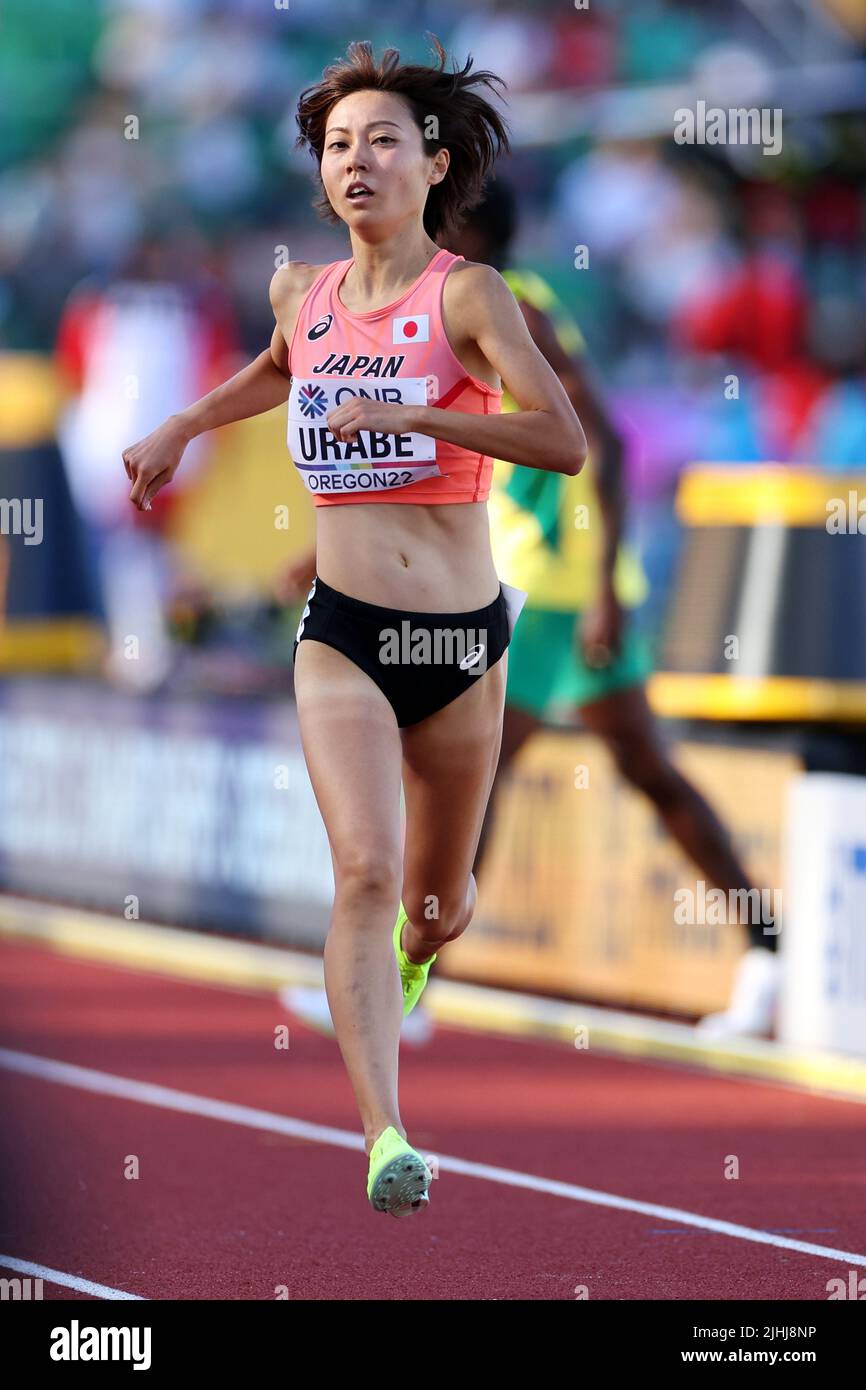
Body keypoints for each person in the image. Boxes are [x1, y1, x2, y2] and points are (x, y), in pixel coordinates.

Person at [121, 38, 587, 1217]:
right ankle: (386, 1134)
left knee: (432, 903)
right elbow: (280, 369)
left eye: (382, 139)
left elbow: (562, 442)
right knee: (363, 871)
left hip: (457, 643)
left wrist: (423, 412)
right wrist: (182, 423)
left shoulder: (468, 296)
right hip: (340, 631)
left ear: (433, 165)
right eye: (338, 146)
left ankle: (426, 951)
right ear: (321, 176)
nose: (357, 161)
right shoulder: (303, 292)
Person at [454, 179, 780, 1039]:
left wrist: (603, 591)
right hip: (544, 582)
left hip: (553, 589)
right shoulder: (485, 304)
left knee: (474, 776)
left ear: (471, 228)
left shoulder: (514, 305)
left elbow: (607, 437)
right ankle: (769, 951)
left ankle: (412, 982)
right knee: (642, 771)